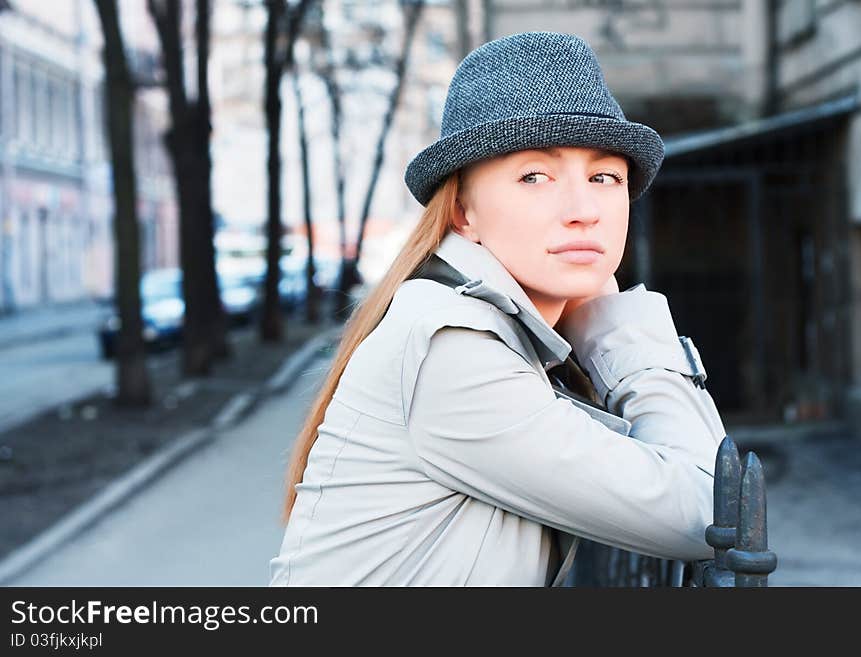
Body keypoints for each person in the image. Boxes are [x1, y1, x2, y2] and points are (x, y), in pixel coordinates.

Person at [269, 31, 727, 587]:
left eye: (604, 177)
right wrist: (618, 328)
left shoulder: (487, 327)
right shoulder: (451, 348)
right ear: (464, 212)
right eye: (535, 176)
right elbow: (717, 512)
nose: (584, 210)